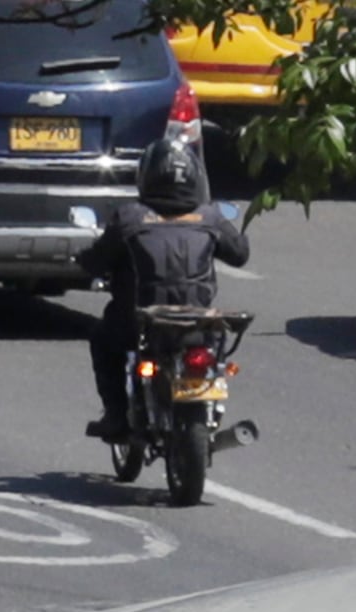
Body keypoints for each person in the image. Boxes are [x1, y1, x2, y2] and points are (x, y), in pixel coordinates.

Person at [84, 139, 247, 448]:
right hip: (197, 323)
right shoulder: (209, 216)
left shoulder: (130, 217)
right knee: (214, 355)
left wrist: (86, 260)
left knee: (102, 338)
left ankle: (116, 413)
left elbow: (96, 260)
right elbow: (240, 254)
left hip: (140, 321)